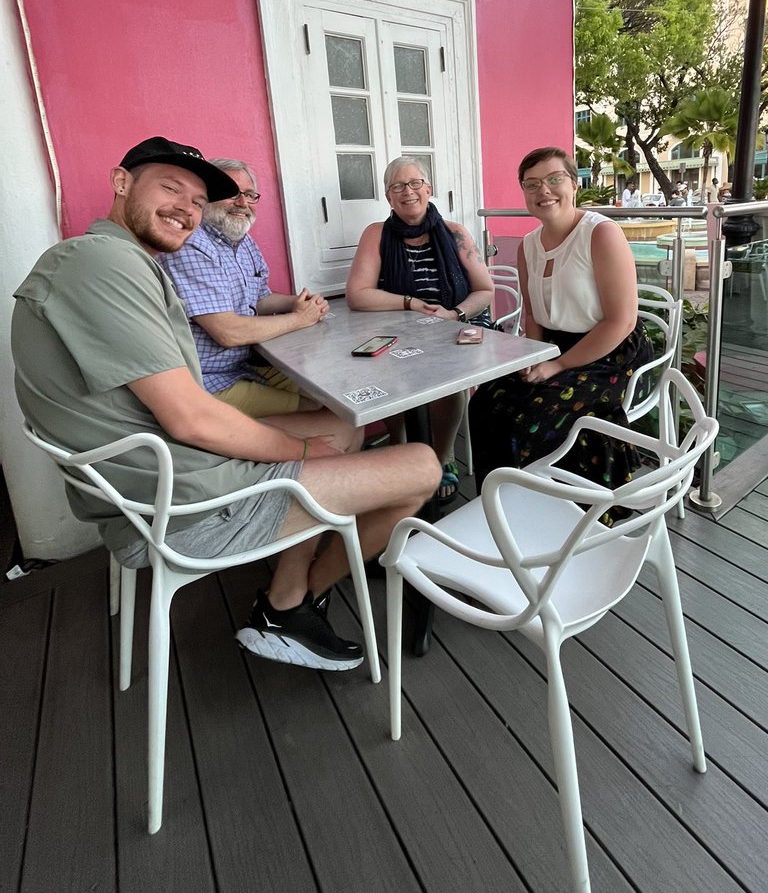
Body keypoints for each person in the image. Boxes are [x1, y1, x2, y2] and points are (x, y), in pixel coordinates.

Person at [12, 136, 440, 671]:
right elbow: (191, 417)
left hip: (164, 472)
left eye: (196, 200)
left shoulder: (112, 261)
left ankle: (289, 596)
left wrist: (309, 446)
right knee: (422, 464)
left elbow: (182, 406)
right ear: (121, 183)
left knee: (340, 426)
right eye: (171, 189)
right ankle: (298, 596)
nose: (186, 210)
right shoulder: (101, 265)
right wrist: (301, 452)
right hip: (181, 505)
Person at [468, 146, 654, 493]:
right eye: (532, 184)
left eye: (555, 179)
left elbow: (621, 321)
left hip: (610, 350)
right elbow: (534, 313)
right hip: (553, 346)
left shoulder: (601, 233)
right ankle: (493, 504)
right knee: (485, 403)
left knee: (530, 416)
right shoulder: (527, 246)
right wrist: (536, 358)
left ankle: (556, 503)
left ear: (574, 185)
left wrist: (558, 365)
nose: (544, 191)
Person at [158, 157, 351, 447]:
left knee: (336, 395)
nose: (241, 202)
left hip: (246, 365)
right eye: (231, 192)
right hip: (209, 381)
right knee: (328, 416)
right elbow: (227, 332)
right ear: (207, 197)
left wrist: (300, 303)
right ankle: (258, 457)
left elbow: (259, 298)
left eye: (249, 195)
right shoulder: (192, 244)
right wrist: (300, 319)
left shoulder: (241, 240)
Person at [346, 156, 494, 501]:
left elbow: (485, 291)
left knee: (446, 375)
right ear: (388, 197)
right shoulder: (377, 234)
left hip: (456, 322)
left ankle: (443, 457)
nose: (407, 192)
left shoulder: (456, 234)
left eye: (414, 183)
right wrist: (410, 303)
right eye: (397, 186)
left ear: (428, 189)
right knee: (385, 369)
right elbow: (358, 295)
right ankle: (399, 449)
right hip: (401, 324)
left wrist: (454, 313)